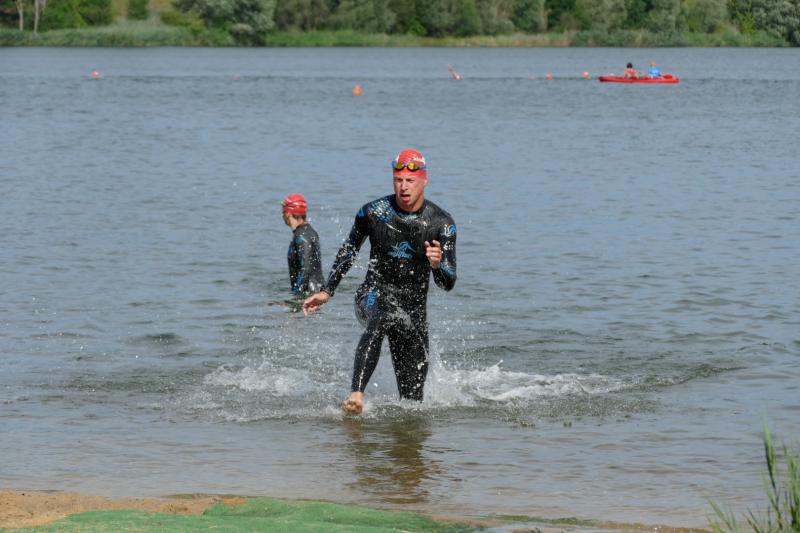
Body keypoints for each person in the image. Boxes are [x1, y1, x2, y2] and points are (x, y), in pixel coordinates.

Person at [303, 149, 457, 415]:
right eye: (398, 180)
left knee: (412, 405)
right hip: (373, 294)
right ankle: (356, 395)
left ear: (424, 180)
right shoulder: (373, 212)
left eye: (410, 181)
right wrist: (327, 291)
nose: (403, 187)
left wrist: (437, 265)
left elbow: (448, 282)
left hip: (413, 310)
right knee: (383, 315)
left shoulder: (441, 224)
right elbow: (349, 250)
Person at [282, 193, 323, 299]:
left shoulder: (302, 237)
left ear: (288, 213)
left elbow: (306, 270)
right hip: (315, 291)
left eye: (283, 211)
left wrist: (296, 297)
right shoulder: (309, 232)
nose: (282, 215)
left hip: (309, 295)